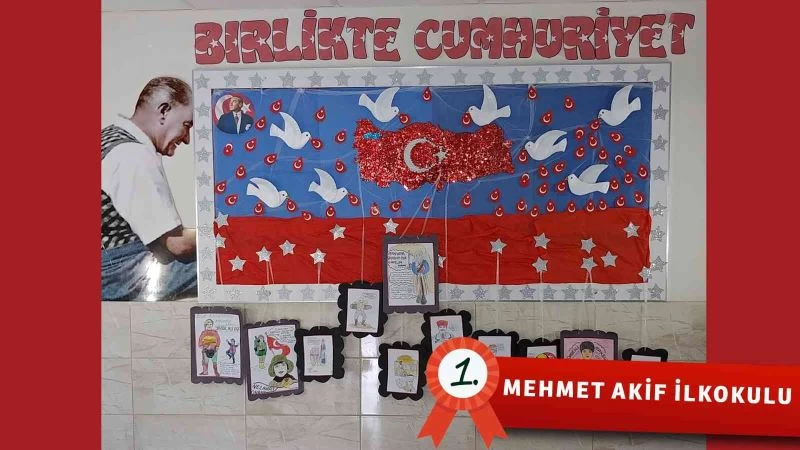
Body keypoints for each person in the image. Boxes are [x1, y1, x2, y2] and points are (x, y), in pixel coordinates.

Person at [101, 76, 198, 301]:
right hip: (115, 272)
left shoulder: (110, 137)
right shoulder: (131, 154)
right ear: (164, 111)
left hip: (111, 267)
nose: (187, 139)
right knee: (225, 263)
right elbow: (177, 244)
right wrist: (225, 234)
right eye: (187, 125)